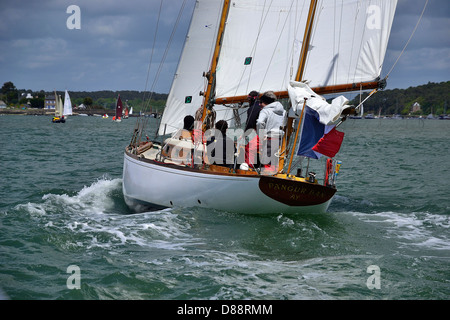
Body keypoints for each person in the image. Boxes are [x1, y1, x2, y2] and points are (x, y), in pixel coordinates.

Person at [256, 91, 286, 172]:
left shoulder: (265, 111)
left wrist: (262, 135)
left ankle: (266, 177)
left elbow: (259, 122)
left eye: (260, 102)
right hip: (281, 139)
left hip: (270, 138)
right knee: (276, 162)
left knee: (267, 163)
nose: (259, 104)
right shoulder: (284, 111)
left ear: (266, 102)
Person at [244, 91, 261, 168]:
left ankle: (249, 168)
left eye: (249, 99)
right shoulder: (261, 106)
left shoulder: (254, 108)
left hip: (259, 133)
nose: (248, 102)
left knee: (249, 149)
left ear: (253, 99)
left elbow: (250, 122)